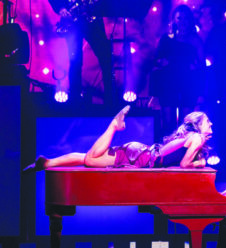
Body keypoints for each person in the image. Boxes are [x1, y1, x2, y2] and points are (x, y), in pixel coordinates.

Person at [23, 106, 213, 172]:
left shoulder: (189, 136)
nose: (210, 125)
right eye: (208, 122)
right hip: (142, 157)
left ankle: (47, 163)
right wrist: (201, 163)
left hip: (141, 152)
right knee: (90, 160)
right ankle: (113, 126)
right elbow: (185, 164)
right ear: (198, 125)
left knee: (86, 157)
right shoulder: (197, 137)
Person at [149, 4, 205, 137]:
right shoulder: (166, 39)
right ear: (174, 20)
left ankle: (185, 152)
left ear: (190, 20)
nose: (182, 22)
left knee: (186, 123)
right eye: (179, 18)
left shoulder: (195, 40)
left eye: (185, 19)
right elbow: (156, 60)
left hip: (188, 84)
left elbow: (201, 65)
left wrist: (195, 68)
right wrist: (162, 62)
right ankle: (168, 151)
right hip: (169, 83)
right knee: (168, 122)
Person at [48, 0, 113, 105]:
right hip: (72, 21)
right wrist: (61, 8)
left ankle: (110, 101)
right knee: (75, 62)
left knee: (106, 58)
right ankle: (75, 101)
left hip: (92, 18)